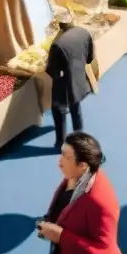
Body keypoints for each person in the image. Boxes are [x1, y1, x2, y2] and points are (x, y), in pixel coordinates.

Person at [37, 132, 127, 254]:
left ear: (83, 165)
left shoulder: (99, 202)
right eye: (61, 154)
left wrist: (61, 236)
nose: (59, 162)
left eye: (66, 157)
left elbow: (101, 248)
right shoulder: (76, 176)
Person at [46, 8, 94, 151]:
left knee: (59, 110)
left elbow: (52, 71)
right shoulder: (84, 33)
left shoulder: (57, 45)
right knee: (75, 106)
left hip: (63, 84)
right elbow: (89, 58)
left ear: (59, 25)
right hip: (79, 79)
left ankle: (60, 142)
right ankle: (79, 135)